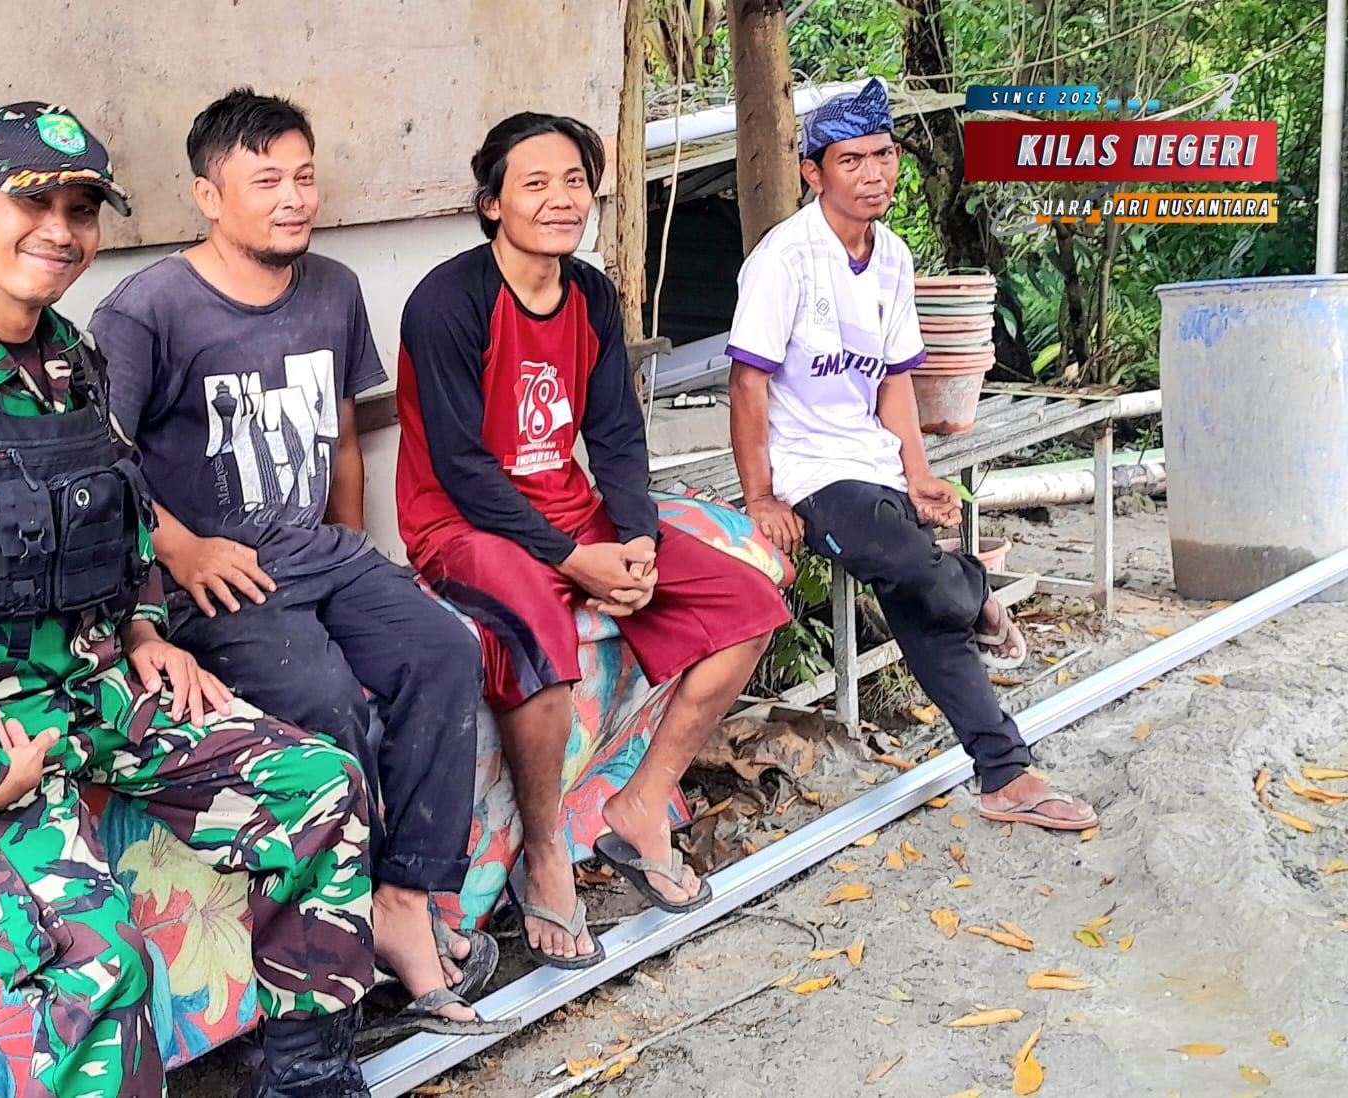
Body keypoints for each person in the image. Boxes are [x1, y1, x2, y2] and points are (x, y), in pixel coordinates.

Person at [0, 102, 375, 1097]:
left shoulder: (71, 361)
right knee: (95, 960)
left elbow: (124, 513)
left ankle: (308, 1075)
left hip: (87, 692)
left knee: (319, 787)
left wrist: (143, 624)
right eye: (31, 202)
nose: (60, 230)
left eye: (81, 207)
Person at [89, 88, 500, 1036]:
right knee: (323, 697)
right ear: (209, 196)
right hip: (217, 575)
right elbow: (103, 465)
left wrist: (357, 552)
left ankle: (403, 900)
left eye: (304, 177)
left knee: (444, 649)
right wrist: (179, 547)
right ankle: (341, 938)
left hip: (320, 552)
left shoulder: (334, 289)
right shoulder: (148, 311)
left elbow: (343, 439)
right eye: (266, 180)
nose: (293, 199)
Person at [395, 112, 790, 969]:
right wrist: (575, 560)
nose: (561, 199)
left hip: (571, 511)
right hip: (460, 525)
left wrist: (638, 541)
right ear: (492, 203)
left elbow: (615, 432)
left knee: (749, 603)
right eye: (535, 183)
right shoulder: (447, 302)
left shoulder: (590, 295)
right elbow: (461, 468)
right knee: (539, 635)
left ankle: (641, 802)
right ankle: (543, 853)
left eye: (574, 180)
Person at [726, 78, 1098, 832]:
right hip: (809, 473)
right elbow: (746, 384)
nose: (874, 174)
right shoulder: (784, 259)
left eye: (884, 156)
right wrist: (761, 496)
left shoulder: (892, 257)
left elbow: (895, 379)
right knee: (912, 567)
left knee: (923, 601)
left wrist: (919, 472)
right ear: (814, 172)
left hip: (875, 463)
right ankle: (976, 589)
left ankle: (1005, 775)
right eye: (852, 160)